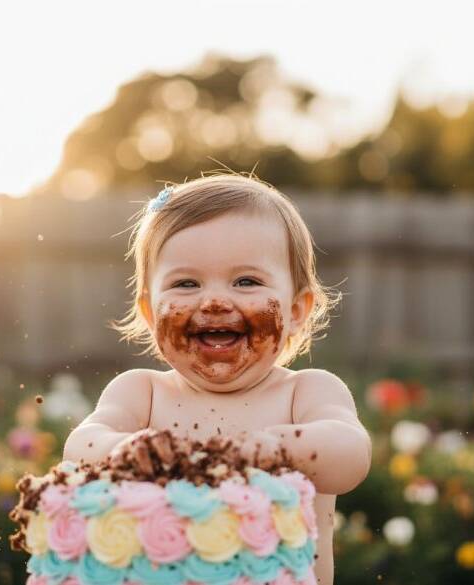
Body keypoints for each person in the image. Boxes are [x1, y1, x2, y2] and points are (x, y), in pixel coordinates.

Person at [63, 172, 372, 585]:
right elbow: (78, 449)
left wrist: (275, 447)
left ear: (297, 310)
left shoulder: (306, 393)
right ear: (151, 313)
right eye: (186, 283)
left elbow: (351, 457)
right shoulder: (143, 393)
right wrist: (127, 448)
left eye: (246, 281)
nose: (213, 300)